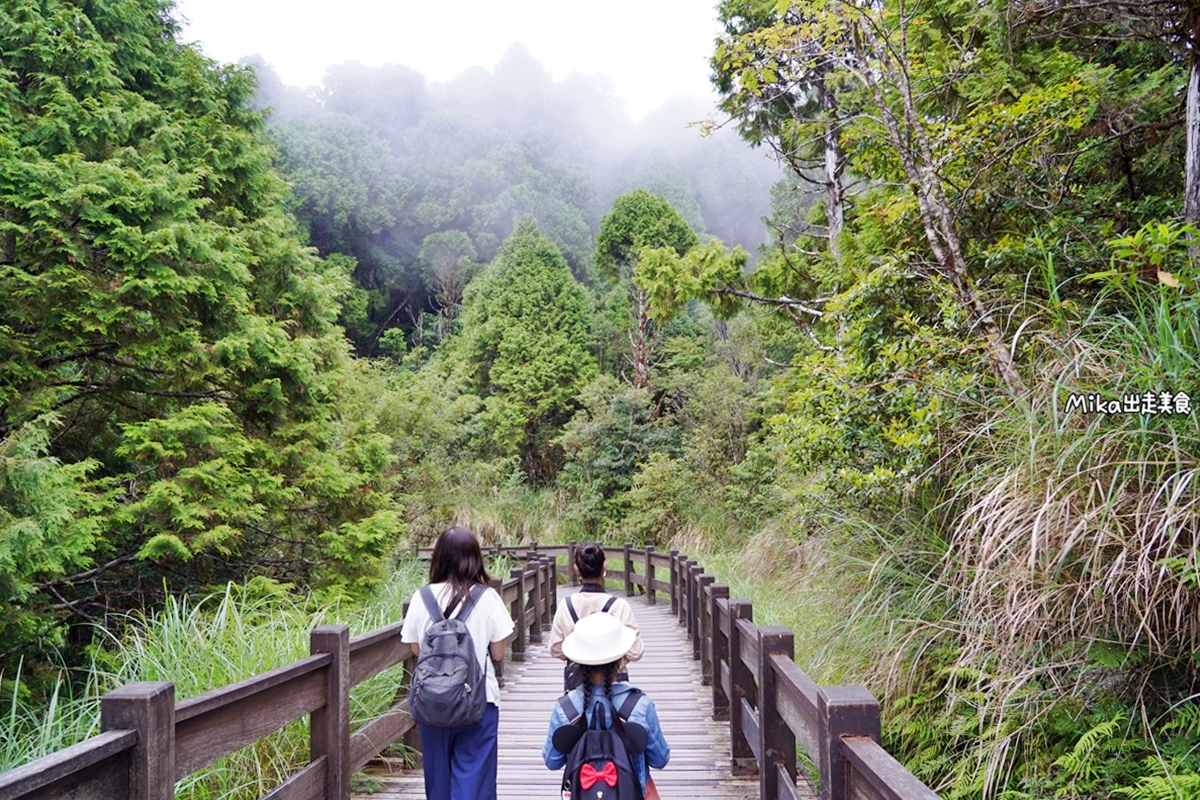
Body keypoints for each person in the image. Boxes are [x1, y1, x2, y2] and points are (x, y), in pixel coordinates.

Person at [401, 526, 515, 800]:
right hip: (479, 699)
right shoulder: (487, 597)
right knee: (474, 777)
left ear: (438, 558)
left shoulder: (422, 597)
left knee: (438, 780)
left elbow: (416, 649)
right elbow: (498, 654)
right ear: (474, 558)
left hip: (433, 700)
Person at [542, 612, 669, 799]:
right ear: (621, 658)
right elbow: (660, 759)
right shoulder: (639, 705)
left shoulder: (566, 708)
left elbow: (552, 761)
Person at [549, 542, 644, 690]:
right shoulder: (619, 606)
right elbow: (635, 652)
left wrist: (580, 656)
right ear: (604, 565)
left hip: (577, 683)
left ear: (576, 569)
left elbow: (556, 649)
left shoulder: (566, 606)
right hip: (615, 683)